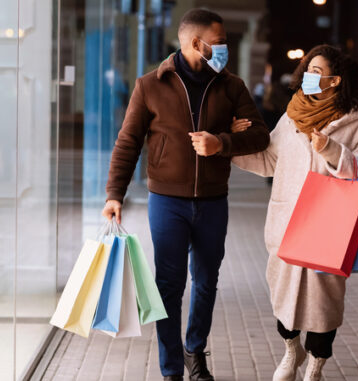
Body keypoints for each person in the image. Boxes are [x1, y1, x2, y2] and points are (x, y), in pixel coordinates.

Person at [102, 8, 270, 381]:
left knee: (207, 281)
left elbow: (260, 135)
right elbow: (127, 142)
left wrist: (222, 142)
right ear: (197, 43)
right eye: (220, 42)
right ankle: (171, 369)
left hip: (213, 201)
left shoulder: (231, 86)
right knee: (169, 285)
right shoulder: (150, 85)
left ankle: (195, 349)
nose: (224, 47)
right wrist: (115, 193)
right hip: (167, 201)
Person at [231, 44, 358, 381]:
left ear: (335, 80)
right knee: (283, 294)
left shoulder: (357, 121)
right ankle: (290, 349)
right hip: (287, 222)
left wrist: (331, 149)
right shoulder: (292, 115)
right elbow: (270, 160)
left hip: (330, 225)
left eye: (317, 71)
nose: (309, 76)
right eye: (308, 69)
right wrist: (230, 149)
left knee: (323, 302)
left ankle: (316, 364)